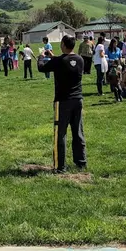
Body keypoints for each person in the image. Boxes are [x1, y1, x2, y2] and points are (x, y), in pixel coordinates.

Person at [37, 35, 86, 172]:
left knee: (60, 133)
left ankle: (60, 166)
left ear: (63, 44)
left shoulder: (59, 61)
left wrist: (41, 56)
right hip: (78, 99)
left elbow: (42, 67)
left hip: (63, 101)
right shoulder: (80, 59)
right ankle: (81, 161)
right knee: (78, 131)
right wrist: (54, 57)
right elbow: (65, 61)